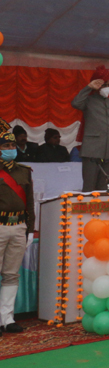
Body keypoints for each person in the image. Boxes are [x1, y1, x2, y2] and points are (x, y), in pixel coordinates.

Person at [0, 119, 34, 335]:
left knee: (12, 275)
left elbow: (29, 202)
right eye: (6, 146)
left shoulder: (24, 171)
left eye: (13, 146)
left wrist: (30, 229)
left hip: (19, 227)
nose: (11, 149)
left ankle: (7, 318)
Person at [71, 66, 109, 192]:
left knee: (104, 187)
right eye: (104, 85)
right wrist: (89, 87)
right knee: (89, 187)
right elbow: (75, 103)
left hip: (108, 152)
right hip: (92, 150)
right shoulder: (88, 100)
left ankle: (103, 211)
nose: (107, 88)